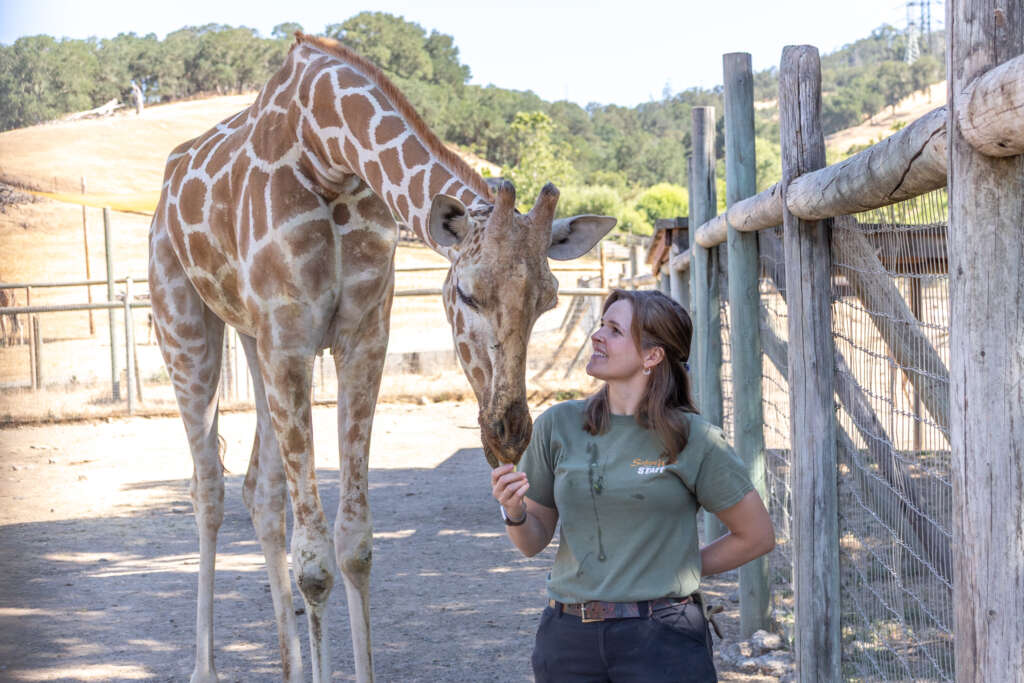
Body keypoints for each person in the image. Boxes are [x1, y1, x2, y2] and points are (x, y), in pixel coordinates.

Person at [491, 289, 775, 682]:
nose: (598, 336)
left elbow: (756, 535)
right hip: (569, 637)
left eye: (614, 329)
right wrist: (514, 512)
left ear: (652, 356)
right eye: (601, 325)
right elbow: (531, 542)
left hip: (663, 637)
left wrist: (676, 569)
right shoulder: (557, 425)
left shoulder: (695, 439)